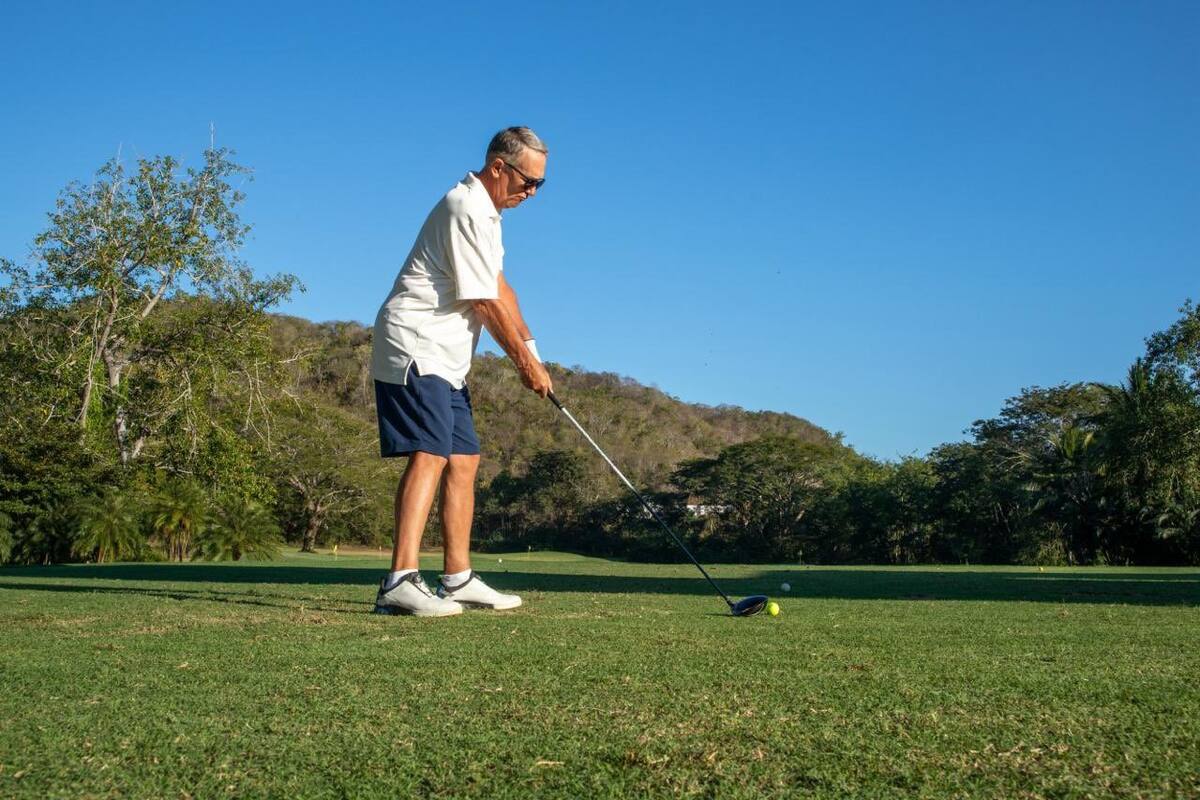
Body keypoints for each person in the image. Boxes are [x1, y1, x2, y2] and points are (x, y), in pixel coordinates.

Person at [369, 127, 553, 617]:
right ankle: (399, 582)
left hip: (448, 358)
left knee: (464, 460)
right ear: (498, 167)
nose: (532, 192)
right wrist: (523, 366)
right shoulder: (465, 206)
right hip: (414, 344)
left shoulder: (489, 216)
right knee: (429, 453)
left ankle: (458, 578)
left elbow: (501, 287)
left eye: (540, 184)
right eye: (529, 181)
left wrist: (533, 352)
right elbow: (483, 302)